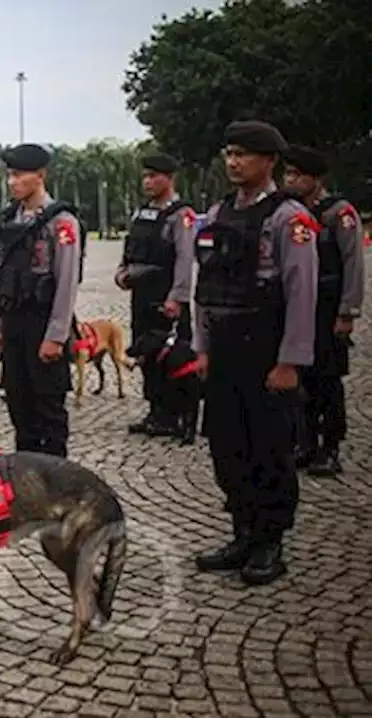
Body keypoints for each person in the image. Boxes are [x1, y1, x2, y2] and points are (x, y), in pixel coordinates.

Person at [191, 120, 317, 586]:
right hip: (224, 348)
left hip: (266, 348)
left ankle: (270, 541)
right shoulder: (217, 214)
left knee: (269, 448)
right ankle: (242, 532)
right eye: (229, 153)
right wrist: (201, 346)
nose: (233, 162)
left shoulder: (289, 218)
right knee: (227, 445)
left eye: (243, 154)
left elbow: (302, 295)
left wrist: (290, 361)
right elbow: (204, 288)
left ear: (270, 161)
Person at [0, 143, 81, 458]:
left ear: (40, 176)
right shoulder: (10, 219)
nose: (12, 182)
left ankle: (56, 485)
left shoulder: (61, 222)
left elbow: (66, 283)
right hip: (13, 322)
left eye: (19, 175)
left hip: (43, 322)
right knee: (19, 406)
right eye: (9, 175)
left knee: (48, 410)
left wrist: (56, 336)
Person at [282, 144, 363, 476]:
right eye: (287, 173)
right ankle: (306, 442)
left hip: (329, 306)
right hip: (299, 305)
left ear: (314, 178)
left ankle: (330, 446)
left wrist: (348, 312)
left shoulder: (338, 213)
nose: (290, 180)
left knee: (327, 379)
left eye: (296, 175)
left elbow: (353, 263)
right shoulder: (290, 212)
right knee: (301, 378)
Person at [116, 153, 197, 436]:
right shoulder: (142, 213)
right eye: (146, 176)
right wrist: (121, 272)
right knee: (145, 353)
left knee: (173, 356)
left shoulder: (180, 215)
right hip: (141, 294)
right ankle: (156, 410)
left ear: (170, 178)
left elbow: (185, 259)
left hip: (166, 295)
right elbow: (129, 248)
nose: (148, 181)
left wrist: (177, 297)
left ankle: (177, 413)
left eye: (154, 176)